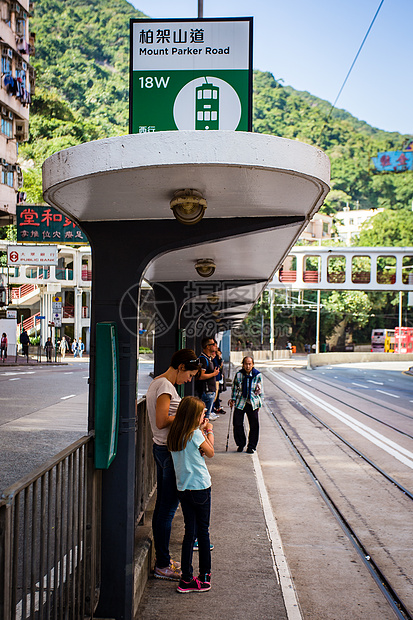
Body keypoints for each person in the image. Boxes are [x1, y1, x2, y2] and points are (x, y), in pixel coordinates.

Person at [146, 349, 201, 581]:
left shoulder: (159, 382)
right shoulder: (166, 387)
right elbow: (160, 421)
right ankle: (162, 563)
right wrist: (188, 418)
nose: (189, 379)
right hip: (168, 452)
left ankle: (164, 559)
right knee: (167, 510)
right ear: (180, 368)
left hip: (161, 449)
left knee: (163, 508)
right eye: (189, 374)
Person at [167, 396, 214, 593]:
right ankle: (204, 576)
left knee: (189, 533)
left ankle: (186, 578)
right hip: (201, 488)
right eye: (203, 414)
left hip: (184, 489)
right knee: (203, 532)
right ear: (195, 416)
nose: (205, 416)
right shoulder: (195, 434)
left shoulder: (176, 433)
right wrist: (208, 431)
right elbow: (210, 452)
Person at [229, 356, 264, 454]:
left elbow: (261, 391)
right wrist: (233, 399)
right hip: (240, 402)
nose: (248, 366)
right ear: (243, 364)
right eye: (246, 364)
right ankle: (241, 443)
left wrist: (259, 403)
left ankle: (251, 446)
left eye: (249, 364)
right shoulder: (239, 374)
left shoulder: (258, 375)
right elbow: (235, 388)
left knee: (254, 425)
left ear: (253, 365)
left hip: (252, 403)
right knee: (237, 423)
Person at [195, 337, 219, 421]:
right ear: (208, 346)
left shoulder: (208, 358)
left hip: (210, 391)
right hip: (207, 391)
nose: (215, 346)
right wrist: (214, 374)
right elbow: (201, 376)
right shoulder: (203, 359)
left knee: (206, 416)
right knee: (205, 416)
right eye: (213, 344)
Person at [213, 348, 225, 414]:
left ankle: (217, 407)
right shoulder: (214, 359)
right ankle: (216, 407)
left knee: (217, 394)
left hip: (218, 378)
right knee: (214, 395)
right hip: (215, 378)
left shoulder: (218, 359)